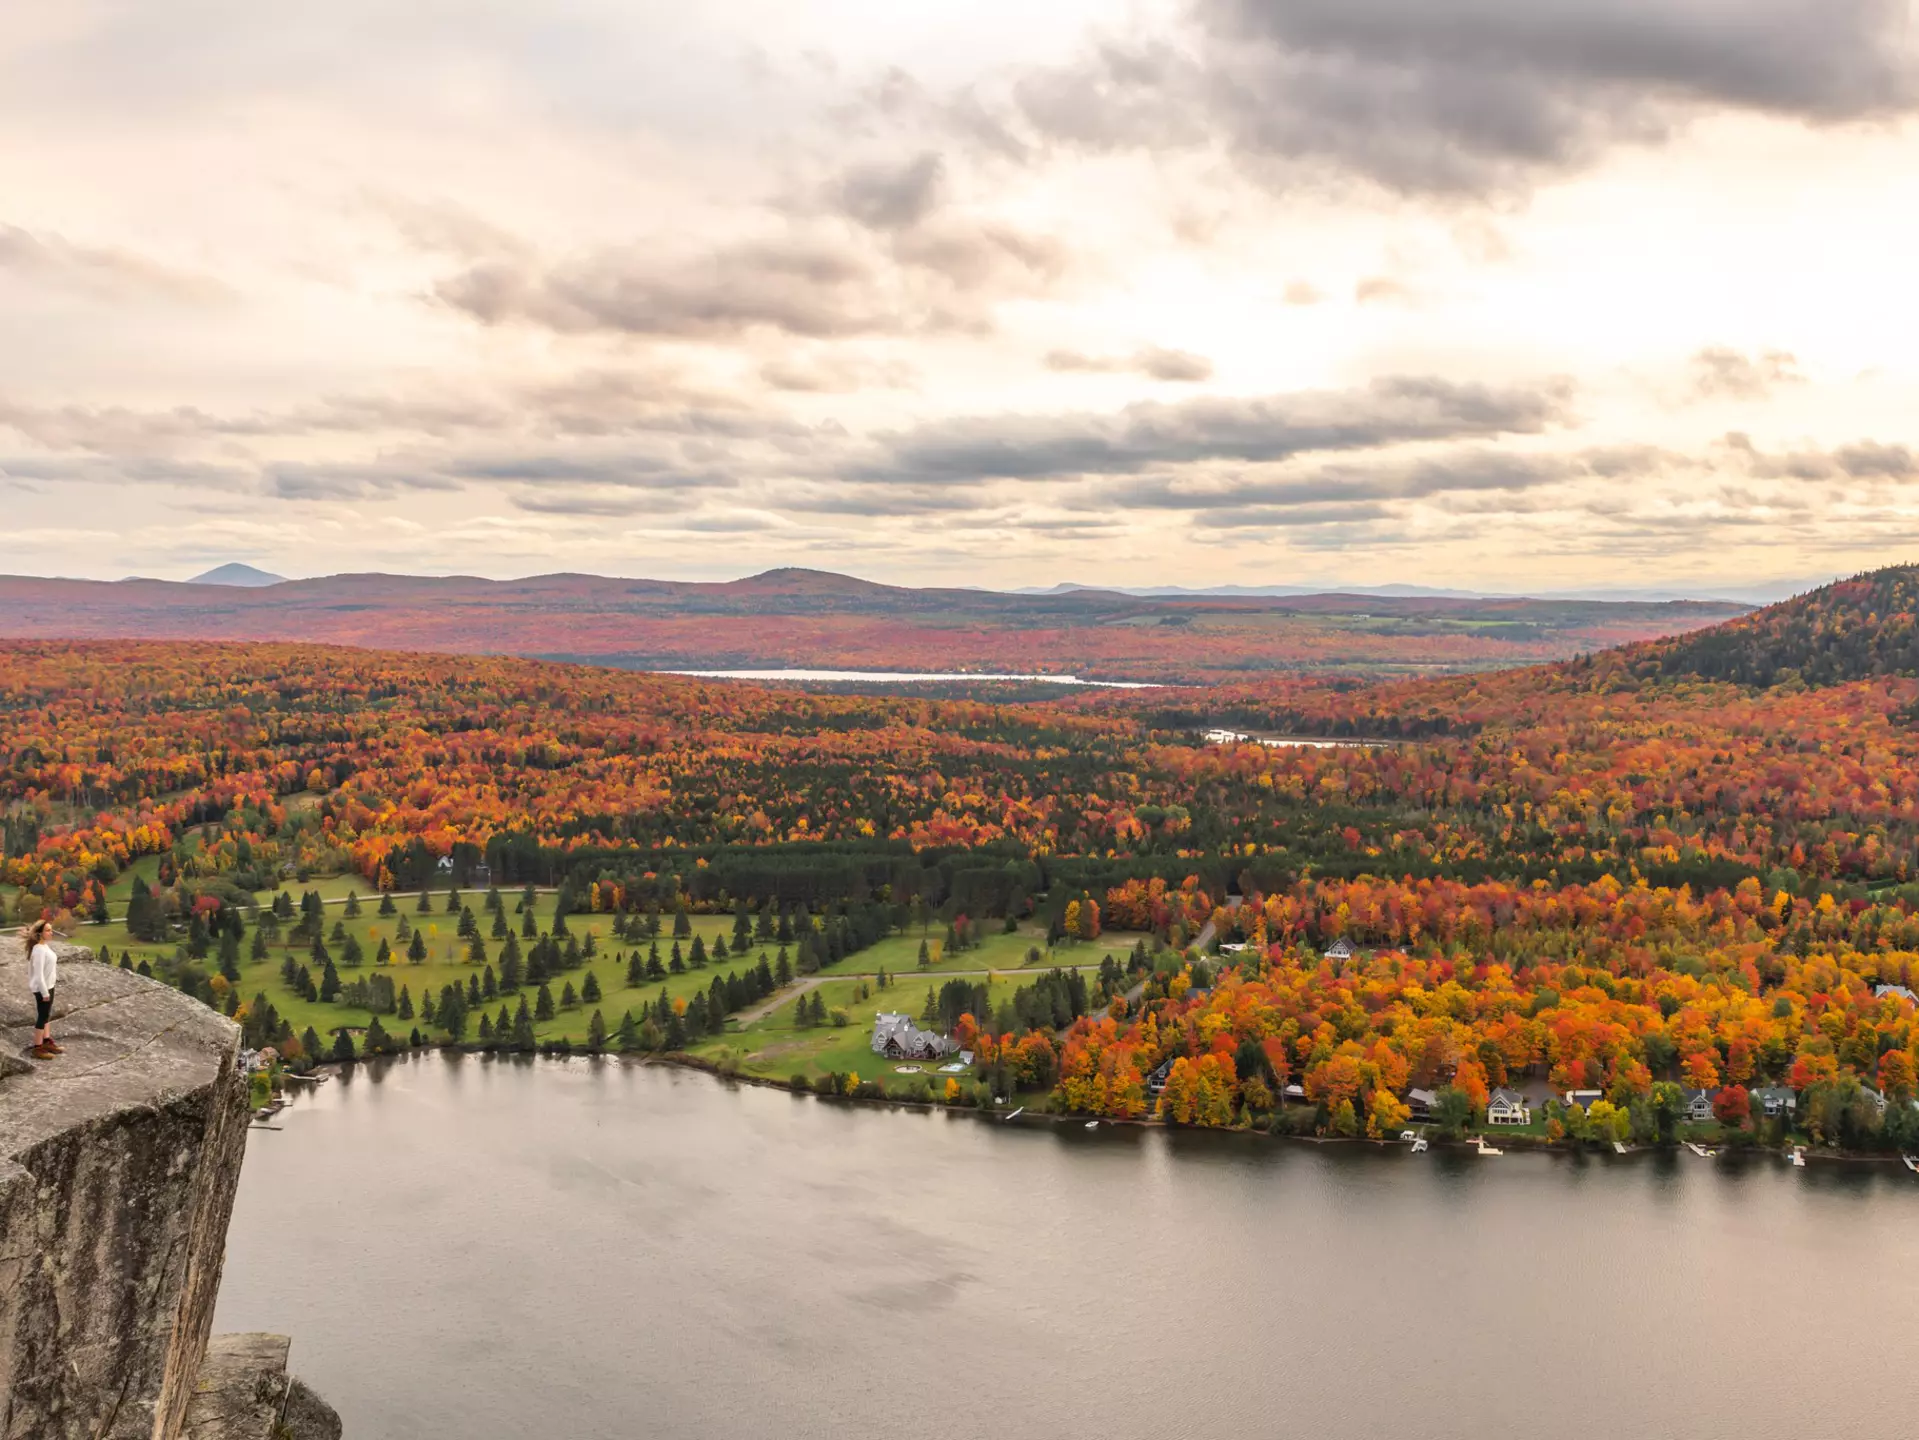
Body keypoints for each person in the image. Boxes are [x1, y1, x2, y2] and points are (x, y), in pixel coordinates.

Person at [27, 919, 61, 1058]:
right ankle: (37, 1047)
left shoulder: (45, 947)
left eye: (51, 930)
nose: (51, 932)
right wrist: (44, 992)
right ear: (40, 933)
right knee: (42, 1016)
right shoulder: (39, 950)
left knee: (46, 1015)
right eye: (47, 930)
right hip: (43, 988)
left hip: (49, 986)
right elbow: (38, 974)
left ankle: (46, 1041)